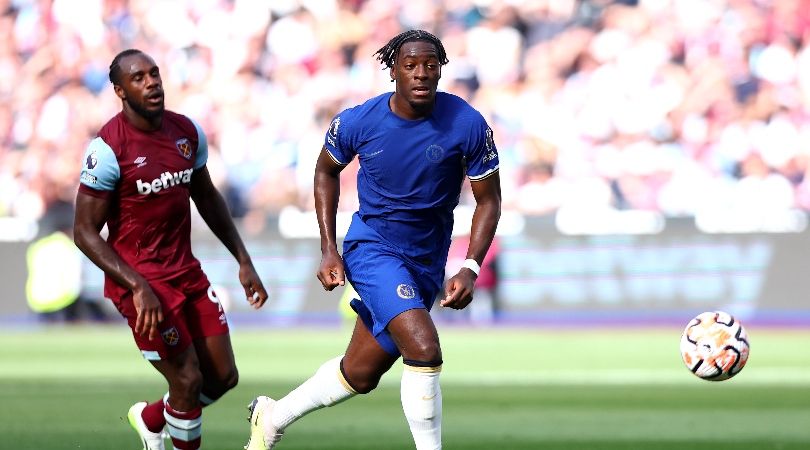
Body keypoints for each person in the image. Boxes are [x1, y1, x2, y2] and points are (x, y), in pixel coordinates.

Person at [245, 30, 501, 450]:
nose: (421, 74)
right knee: (424, 346)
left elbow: (489, 201)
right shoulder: (359, 121)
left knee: (359, 374)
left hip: (426, 263)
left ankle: (272, 417)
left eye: (430, 65)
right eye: (410, 65)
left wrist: (470, 265)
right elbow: (325, 171)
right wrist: (329, 246)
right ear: (393, 70)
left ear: (441, 70)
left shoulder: (467, 124)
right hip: (372, 249)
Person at [73, 49, 269, 450]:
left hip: (186, 272)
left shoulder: (186, 133)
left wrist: (243, 260)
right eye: (138, 78)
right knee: (186, 380)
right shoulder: (108, 149)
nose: (152, 83)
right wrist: (136, 285)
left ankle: (149, 419)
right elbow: (84, 232)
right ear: (119, 91)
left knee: (223, 378)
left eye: (154, 73)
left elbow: (207, 197)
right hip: (139, 283)